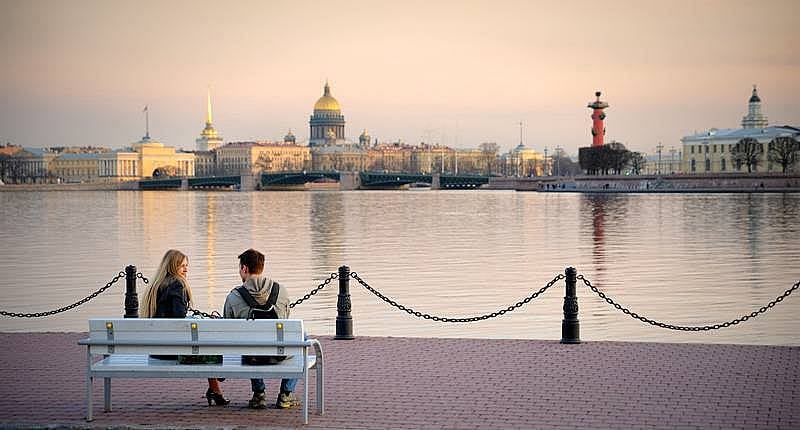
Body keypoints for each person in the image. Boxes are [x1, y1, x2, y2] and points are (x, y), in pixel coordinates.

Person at [140, 249, 229, 406]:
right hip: (171, 351)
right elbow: (180, 320)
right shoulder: (177, 285)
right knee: (209, 347)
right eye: (182, 266)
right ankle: (218, 371)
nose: (186, 269)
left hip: (156, 349)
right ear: (173, 267)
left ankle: (216, 390)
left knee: (204, 345)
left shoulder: (155, 286)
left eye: (186, 265)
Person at [223, 248, 299, 410]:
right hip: (279, 353)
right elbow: (285, 319)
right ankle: (286, 394)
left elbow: (227, 329)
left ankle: (259, 393)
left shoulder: (233, 297)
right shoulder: (282, 291)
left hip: (251, 356)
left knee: (249, 342)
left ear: (244, 268)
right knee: (301, 337)